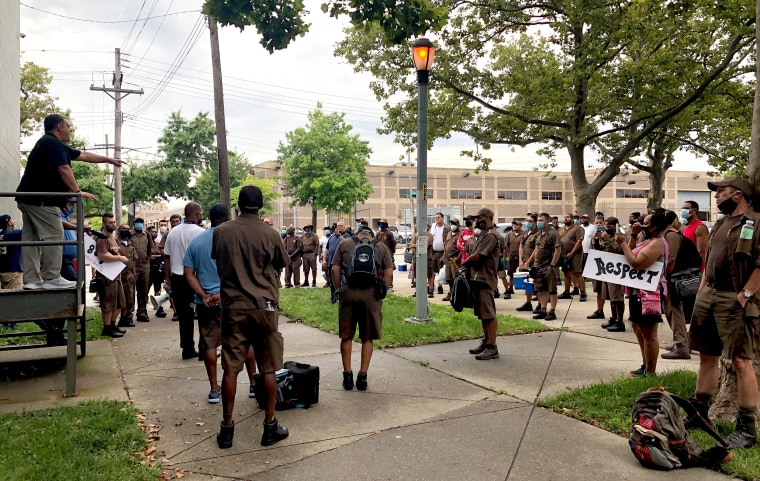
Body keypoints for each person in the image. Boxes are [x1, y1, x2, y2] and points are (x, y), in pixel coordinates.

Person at [212, 186, 289, 449]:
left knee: (231, 367)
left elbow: (220, 263)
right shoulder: (270, 233)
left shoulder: (222, 232)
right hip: (264, 305)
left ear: (238, 204)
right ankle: (269, 426)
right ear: (261, 205)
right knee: (267, 366)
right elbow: (281, 264)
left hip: (234, 305)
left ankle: (227, 429)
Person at [689, 176, 760, 449]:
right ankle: (699, 414)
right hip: (709, 295)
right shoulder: (720, 223)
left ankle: (746, 428)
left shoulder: (755, 222)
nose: (717, 196)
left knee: (741, 361)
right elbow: (709, 260)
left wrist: (746, 295)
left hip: (735, 298)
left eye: (721, 192)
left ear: (738, 194)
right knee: (707, 355)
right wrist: (703, 290)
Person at [16, 114, 124, 290]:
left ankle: (31, 280)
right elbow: (64, 168)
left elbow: (84, 155)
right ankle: (51, 277)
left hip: (28, 198)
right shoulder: (51, 143)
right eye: (68, 126)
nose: (70, 129)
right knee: (54, 235)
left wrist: (109, 160)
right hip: (42, 200)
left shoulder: (53, 145)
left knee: (31, 238)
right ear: (59, 126)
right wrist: (78, 192)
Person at [184, 204, 258, 404]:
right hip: (233, 299)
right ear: (227, 218)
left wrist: (204, 295)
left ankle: (214, 389)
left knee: (209, 343)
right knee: (245, 341)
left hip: (205, 301)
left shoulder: (196, 242)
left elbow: (188, 274)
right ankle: (253, 383)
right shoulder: (234, 239)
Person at [331, 222, 394, 391]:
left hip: (349, 292)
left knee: (347, 336)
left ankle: (347, 376)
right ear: (371, 234)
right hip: (370, 294)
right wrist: (382, 293)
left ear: (357, 233)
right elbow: (389, 272)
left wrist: (339, 289)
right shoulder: (380, 246)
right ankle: (362, 377)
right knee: (367, 337)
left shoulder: (345, 243)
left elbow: (335, 268)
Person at [614, 208, 669, 378]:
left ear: (654, 227)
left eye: (646, 224)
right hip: (638, 291)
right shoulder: (647, 241)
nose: (642, 225)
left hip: (649, 294)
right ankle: (645, 365)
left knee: (649, 333)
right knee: (638, 328)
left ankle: (650, 372)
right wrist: (631, 238)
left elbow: (636, 263)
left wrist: (623, 244)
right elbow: (629, 254)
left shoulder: (658, 243)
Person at [164, 202, 205, 360]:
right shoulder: (200, 232)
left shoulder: (173, 232)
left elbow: (166, 257)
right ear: (197, 214)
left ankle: (187, 349)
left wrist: (167, 278)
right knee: (202, 313)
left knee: (184, 316)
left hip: (178, 278)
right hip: (196, 278)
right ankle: (204, 349)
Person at [460, 208, 501, 360]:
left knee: (489, 314)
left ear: (488, 217)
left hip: (485, 278)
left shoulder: (491, 235)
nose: (477, 221)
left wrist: (463, 264)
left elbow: (478, 256)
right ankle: (486, 341)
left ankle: (492, 346)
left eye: (480, 218)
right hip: (477, 278)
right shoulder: (484, 235)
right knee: (483, 313)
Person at [661, 211, 690, 359]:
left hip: (673, 279)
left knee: (675, 311)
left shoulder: (671, 235)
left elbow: (670, 260)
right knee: (670, 311)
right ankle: (679, 340)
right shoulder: (668, 234)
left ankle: (682, 346)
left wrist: (664, 276)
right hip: (671, 279)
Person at [95, 214, 129, 338]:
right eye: (110, 222)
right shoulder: (102, 238)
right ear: (104, 224)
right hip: (106, 276)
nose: (113, 224)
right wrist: (119, 257)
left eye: (114, 222)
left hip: (116, 275)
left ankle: (113, 325)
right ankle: (107, 327)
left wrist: (116, 253)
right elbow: (102, 255)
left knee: (119, 303)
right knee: (108, 304)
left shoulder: (112, 237)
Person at [526, 213, 561, 321]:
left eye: (541, 220)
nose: (539, 222)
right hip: (538, 266)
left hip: (549, 266)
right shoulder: (538, 234)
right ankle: (543, 310)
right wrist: (531, 263)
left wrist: (552, 265)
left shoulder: (553, 233)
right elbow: (537, 249)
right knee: (540, 289)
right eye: (538, 220)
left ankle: (552, 311)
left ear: (547, 221)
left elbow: (557, 250)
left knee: (551, 290)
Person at [595, 217, 625, 332]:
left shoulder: (620, 237)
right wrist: (597, 241)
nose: (607, 229)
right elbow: (601, 249)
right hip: (606, 269)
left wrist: (607, 239)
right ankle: (613, 318)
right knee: (610, 297)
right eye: (606, 227)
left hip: (616, 270)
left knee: (617, 297)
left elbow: (617, 250)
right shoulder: (605, 236)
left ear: (615, 225)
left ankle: (620, 321)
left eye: (609, 227)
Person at [557, 213, 587, 301]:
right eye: (565, 217)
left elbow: (579, 241)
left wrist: (572, 252)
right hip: (564, 254)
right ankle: (566, 292)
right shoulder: (560, 229)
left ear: (572, 219)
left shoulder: (577, 229)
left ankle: (583, 293)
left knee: (577, 273)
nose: (566, 219)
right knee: (566, 272)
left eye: (568, 217)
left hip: (576, 254)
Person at [130, 217, 153, 323]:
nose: (139, 225)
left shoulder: (147, 235)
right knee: (130, 291)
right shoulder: (129, 235)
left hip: (144, 266)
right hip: (132, 267)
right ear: (134, 224)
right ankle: (128, 313)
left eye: (141, 223)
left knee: (143, 290)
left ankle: (142, 312)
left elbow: (149, 249)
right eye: (137, 223)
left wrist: (147, 262)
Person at [516, 214, 539, 313]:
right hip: (524, 261)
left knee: (537, 283)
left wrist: (528, 262)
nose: (528, 223)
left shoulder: (538, 233)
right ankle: (528, 303)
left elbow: (536, 249)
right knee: (527, 283)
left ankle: (540, 304)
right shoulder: (526, 232)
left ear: (535, 222)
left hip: (534, 262)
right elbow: (521, 246)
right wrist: (521, 260)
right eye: (527, 221)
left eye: (530, 221)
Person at [116, 224, 137, 328]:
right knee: (121, 298)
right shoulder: (115, 242)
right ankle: (122, 317)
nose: (126, 231)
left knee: (131, 296)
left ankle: (128, 316)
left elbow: (133, 259)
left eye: (128, 229)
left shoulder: (130, 243)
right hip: (119, 275)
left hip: (130, 275)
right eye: (124, 229)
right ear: (119, 230)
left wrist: (134, 271)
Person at [0, 215, 23, 289]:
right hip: (13, 272)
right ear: (9, 223)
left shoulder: (2, 234)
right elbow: (27, 231)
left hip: (3, 270)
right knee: (15, 298)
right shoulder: (12, 235)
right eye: (11, 219)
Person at [430, 213, 450, 295]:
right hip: (433, 251)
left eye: (438, 217)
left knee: (440, 269)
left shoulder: (446, 228)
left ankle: (440, 286)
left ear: (442, 218)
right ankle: (431, 286)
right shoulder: (433, 227)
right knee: (432, 270)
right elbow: (431, 237)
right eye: (436, 218)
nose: (437, 219)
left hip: (442, 252)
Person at [375, 219, 397, 291]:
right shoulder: (378, 234)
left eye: (383, 224)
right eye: (380, 223)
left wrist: (392, 254)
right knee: (379, 270)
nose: (381, 225)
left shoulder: (389, 234)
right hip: (379, 255)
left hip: (388, 255)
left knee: (389, 270)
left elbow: (393, 244)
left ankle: (390, 286)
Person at [442, 219, 461, 302]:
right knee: (449, 278)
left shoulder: (460, 235)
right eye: (451, 223)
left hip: (455, 259)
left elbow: (461, 249)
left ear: (457, 225)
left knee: (455, 278)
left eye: (454, 223)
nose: (452, 225)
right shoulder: (449, 233)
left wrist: (457, 258)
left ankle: (457, 295)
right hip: (447, 259)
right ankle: (451, 293)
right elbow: (446, 245)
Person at [503, 220, 522, 300]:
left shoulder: (523, 234)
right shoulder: (509, 234)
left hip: (521, 257)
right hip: (511, 257)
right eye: (513, 224)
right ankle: (511, 287)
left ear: (520, 226)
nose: (515, 226)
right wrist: (505, 257)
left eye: (517, 224)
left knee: (523, 273)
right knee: (511, 273)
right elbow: (505, 246)